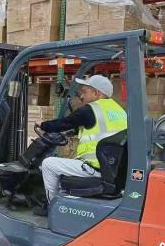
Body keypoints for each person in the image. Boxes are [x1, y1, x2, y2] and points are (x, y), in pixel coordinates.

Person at [34, 75, 127, 216]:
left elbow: (65, 123)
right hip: (113, 169)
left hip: (95, 168)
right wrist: (74, 132)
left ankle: (52, 207)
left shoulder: (90, 110)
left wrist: (43, 125)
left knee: (48, 164)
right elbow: (103, 129)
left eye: (84, 91)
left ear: (96, 93)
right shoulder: (119, 110)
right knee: (64, 164)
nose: (81, 96)